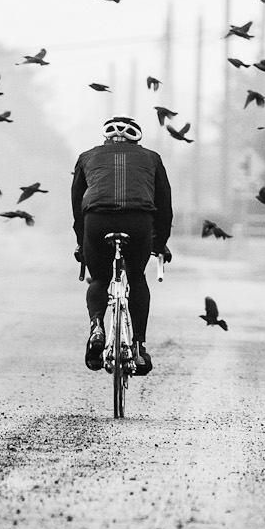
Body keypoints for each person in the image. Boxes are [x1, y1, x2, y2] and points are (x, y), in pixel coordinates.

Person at [69, 115, 173, 375]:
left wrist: (82, 244)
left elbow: (77, 205)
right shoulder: (152, 158)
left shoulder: (87, 157)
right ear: (137, 139)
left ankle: (96, 327)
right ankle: (138, 348)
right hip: (138, 220)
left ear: (105, 138)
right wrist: (160, 243)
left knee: (100, 280)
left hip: (97, 221)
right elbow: (165, 206)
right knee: (136, 278)